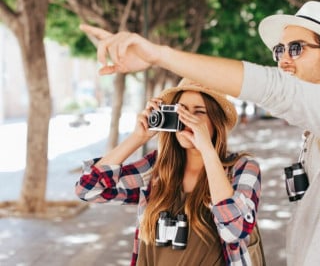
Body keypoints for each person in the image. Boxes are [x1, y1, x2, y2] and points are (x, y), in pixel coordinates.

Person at [80, 0, 320, 265]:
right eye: (279, 49)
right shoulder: (317, 135)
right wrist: (138, 136)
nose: (284, 59)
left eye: (296, 48)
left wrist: (158, 55)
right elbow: (89, 188)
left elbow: (275, 89)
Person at [75, 78, 262, 265]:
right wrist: (137, 138)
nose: (187, 120)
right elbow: (88, 189)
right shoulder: (156, 167)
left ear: (216, 121)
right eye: (181, 112)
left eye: (198, 113)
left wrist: (207, 150)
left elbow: (234, 231)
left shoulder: (242, 168)